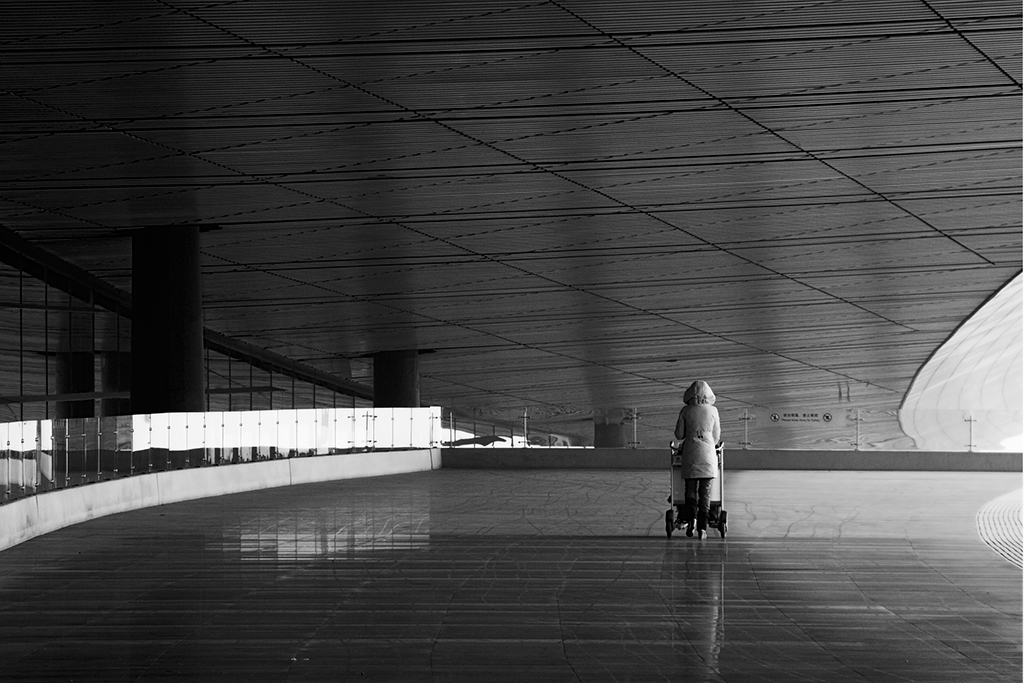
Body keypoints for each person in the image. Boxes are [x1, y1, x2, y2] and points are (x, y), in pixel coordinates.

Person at [673, 380, 721, 539]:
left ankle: (691, 518)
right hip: (707, 454)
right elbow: (716, 437)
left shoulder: (686, 410)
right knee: (705, 493)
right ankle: (702, 528)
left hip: (691, 453)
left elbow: (679, 435)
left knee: (691, 490)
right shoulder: (713, 410)